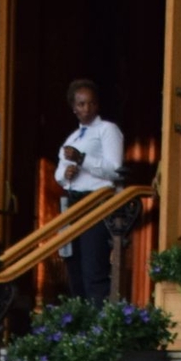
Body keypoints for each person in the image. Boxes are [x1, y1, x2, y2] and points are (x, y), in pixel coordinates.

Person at [55, 80, 123, 302]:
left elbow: (115, 169)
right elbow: (59, 173)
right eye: (81, 104)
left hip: (96, 203)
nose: (86, 108)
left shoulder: (107, 130)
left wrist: (82, 159)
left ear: (97, 105)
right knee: (74, 270)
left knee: (94, 270)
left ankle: (98, 329)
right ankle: (81, 328)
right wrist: (66, 175)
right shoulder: (72, 138)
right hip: (73, 204)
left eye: (91, 103)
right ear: (74, 107)